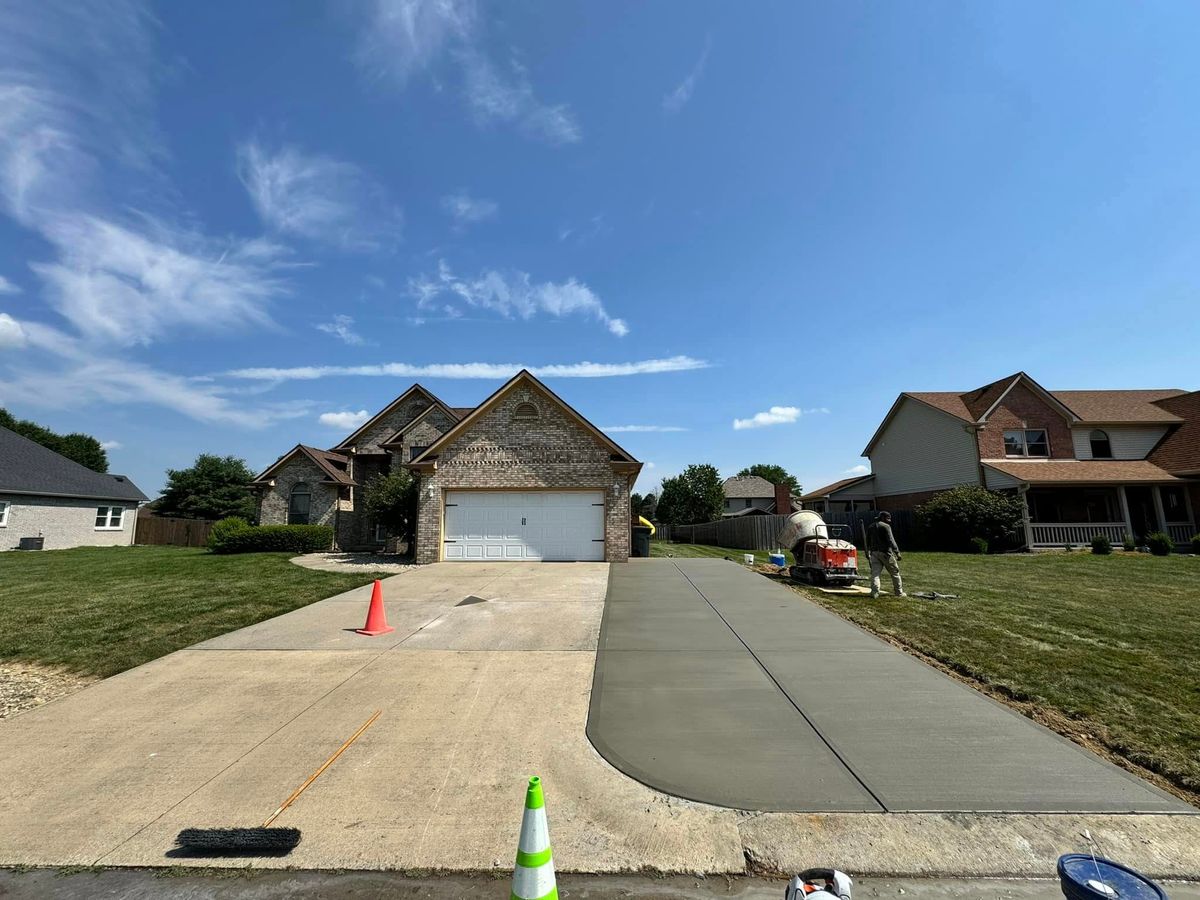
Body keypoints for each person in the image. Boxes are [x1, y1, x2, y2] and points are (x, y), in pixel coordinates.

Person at [866, 511, 905, 598]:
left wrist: (868, 551)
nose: (889, 520)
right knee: (895, 573)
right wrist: (897, 552)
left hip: (874, 553)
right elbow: (891, 540)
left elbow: (867, 540)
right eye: (888, 518)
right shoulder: (885, 526)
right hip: (886, 553)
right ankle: (899, 592)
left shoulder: (871, 526)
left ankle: (875, 592)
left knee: (875, 574)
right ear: (883, 518)